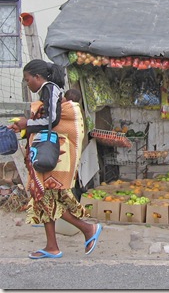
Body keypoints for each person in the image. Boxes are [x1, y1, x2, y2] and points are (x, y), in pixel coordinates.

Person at [9, 59, 102, 259]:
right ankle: (52, 246)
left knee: (44, 198)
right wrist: (25, 127)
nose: (27, 84)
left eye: (27, 80)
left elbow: (51, 120)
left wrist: (27, 122)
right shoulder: (50, 90)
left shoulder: (49, 89)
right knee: (44, 198)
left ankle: (87, 229)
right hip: (50, 153)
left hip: (51, 154)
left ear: (37, 77)